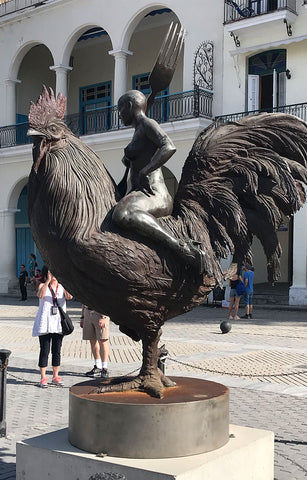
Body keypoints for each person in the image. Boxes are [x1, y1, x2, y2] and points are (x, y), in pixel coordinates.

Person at [112, 89, 205, 273]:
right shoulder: (138, 130)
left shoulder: (147, 124)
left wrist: (146, 170)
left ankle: (181, 247)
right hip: (139, 193)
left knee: (122, 213)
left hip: (155, 195)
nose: (119, 114)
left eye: (120, 109)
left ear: (129, 106)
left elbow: (168, 146)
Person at [32, 266, 73, 387]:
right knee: (44, 350)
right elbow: (40, 295)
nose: (53, 274)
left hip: (58, 323)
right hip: (45, 322)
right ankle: (43, 377)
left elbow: (69, 297)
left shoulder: (61, 287)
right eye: (51, 272)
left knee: (57, 351)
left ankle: (56, 376)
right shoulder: (41, 285)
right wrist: (48, 282)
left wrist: (64, 282)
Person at [81, 306, 110, 378]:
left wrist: (104, 316)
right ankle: (98, 366)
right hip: (87, 311)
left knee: (102, 340)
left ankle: (104, 368)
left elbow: (105, 300)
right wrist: (82, 317)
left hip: (99, 313)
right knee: (92, 340)